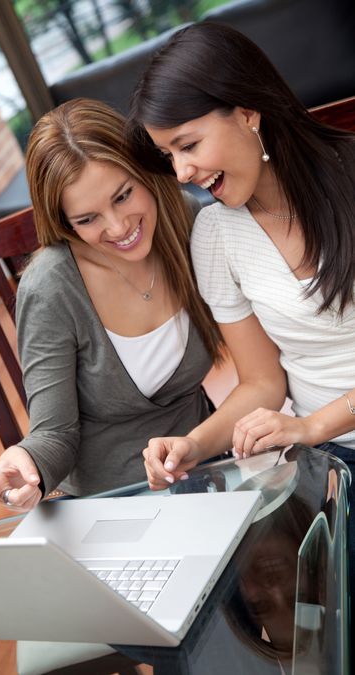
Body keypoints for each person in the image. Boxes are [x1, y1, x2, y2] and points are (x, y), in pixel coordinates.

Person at [0, 98, 285, 524]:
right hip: (111, 507)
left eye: (123, 195)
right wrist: (25, 460)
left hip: (207, 473)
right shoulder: (51, 287)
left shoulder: (190, 221)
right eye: (88, 219)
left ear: (145, 170)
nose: (118, 227)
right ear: (64, 223)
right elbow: (55, 433)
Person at [126, 21, 355, 493]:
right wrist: (195, 443)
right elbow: (261, 382)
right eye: (169, 155)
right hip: (338, 461)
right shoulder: (215, 236)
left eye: (188, 145)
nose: (183, 171)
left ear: (248, 112)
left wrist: (313, 427)